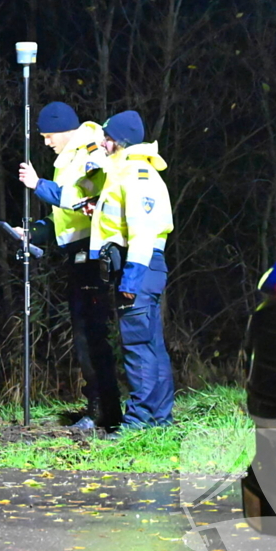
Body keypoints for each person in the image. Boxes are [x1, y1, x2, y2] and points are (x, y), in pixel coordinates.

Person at [17, 101, 122, 431]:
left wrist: (39, 185)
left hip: (92, 255)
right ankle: (97, 407)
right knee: (83, 334)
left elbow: (85, 199)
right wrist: (33, 231)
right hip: (76, 255)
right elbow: (64, 216)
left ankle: (104, 412)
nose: (46, 142)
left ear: (64, 130)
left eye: (49, 136)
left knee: (91, 335)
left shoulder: (90, 153)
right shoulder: (67, 160)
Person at [90, 110, 175, 430]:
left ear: (119, 141)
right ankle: (160, 419)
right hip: (143, 266)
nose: (102, 142)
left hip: (138, 265)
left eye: (107, 137)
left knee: (138, 346)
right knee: (151, 345)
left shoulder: (137, 174)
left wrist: (131, 279)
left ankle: (138, 421)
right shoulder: (129, 172)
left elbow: (142, 231)